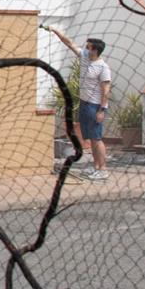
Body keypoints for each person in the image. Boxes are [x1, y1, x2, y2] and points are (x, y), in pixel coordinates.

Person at [47, 28, 112, 181]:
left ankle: (103, 169)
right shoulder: (84, 57)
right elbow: (69, 43)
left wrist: (102, 110)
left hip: (95, 106)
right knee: (90, 138)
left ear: (95, 50)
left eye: (88, 47)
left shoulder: (103, 68)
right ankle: (96, 167)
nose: (85, 48)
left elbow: (106, 90)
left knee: (97, 138)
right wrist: (55, 31)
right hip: (84, 104)